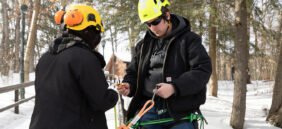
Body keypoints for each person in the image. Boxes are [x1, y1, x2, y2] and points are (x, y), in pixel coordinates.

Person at [117, 0, 212, 129]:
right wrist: (130, 85)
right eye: (148, 24)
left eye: (155, 21)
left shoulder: (189, 40)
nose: (153, 28)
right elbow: (133, 73)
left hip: (179, 112)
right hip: (148, 108)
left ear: (166, 15)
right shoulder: (143, 46)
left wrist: (174, 87)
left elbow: (202, 70)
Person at [29, 4, 118, 129]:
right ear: (88, 32)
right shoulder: (84, 58)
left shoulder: (45, 58)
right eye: (97, 32)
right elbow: (101, 101)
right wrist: (114, 94)